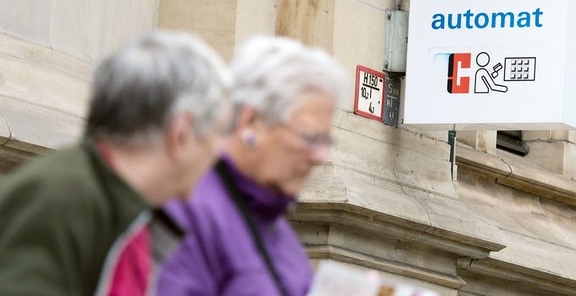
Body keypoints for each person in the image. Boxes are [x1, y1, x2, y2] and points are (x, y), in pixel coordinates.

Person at [0, 30, 232, 295]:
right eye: (218, 133)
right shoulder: (61, 197)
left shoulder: (128, 213)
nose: (221, 153)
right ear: (182, 133)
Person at [157, 35, 348, 296]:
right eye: (310, 138)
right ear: (250, 122)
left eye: (325, 140)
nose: (321, 156)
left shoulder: (276, 225)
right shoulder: (185, 209)